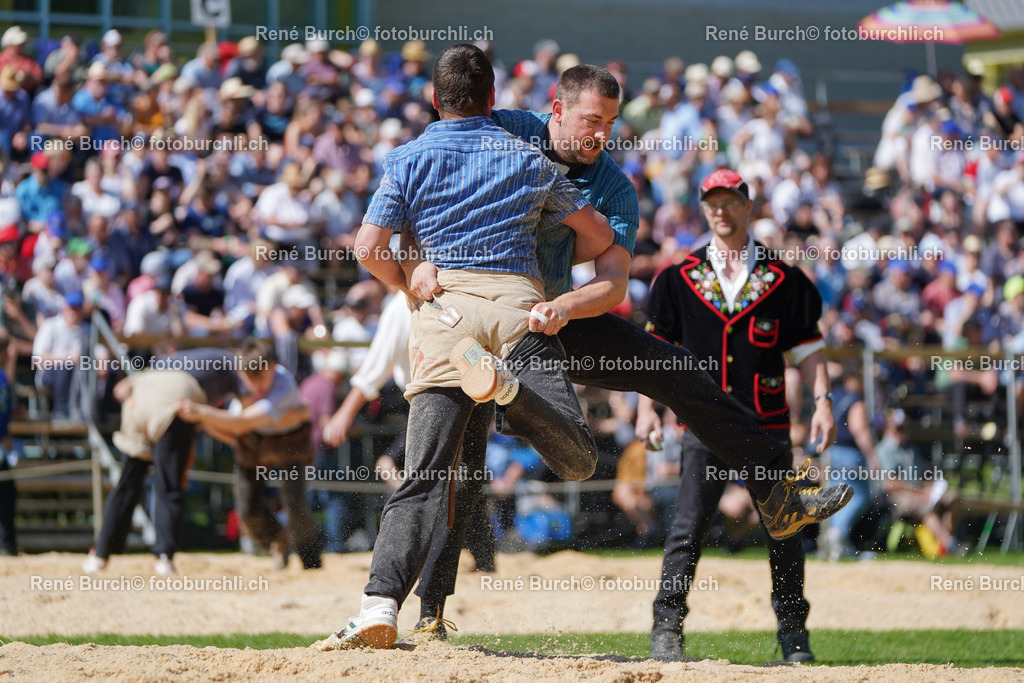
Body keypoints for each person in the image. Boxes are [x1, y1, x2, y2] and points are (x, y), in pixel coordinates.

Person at [405, 66, 853, 644]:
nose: (602, 134)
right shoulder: (506, 129)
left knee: (674, 367)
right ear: (557, 110)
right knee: (463, 465)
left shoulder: (613, 184)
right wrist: (415, 257)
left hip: (552, 321)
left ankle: (777, 490)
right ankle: (430, 614)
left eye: (612, 123)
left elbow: (613, 285)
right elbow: (427, 164)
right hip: (472, 322)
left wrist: (564, 306)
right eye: (592, 120)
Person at [315, 43, 614, 651]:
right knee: (579, 459)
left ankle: (378, 606)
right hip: (516, 310)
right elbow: (598, 235)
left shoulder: (407, 157)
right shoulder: (527, 157)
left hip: (443, 312)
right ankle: (508, 392)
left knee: (424, 475)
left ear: (434, 99)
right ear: (493, 98)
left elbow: (368, 247)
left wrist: (408, 277)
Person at [637, 169, 839, 662]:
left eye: (729, 201)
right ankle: (666, 630)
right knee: (687, 530)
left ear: (748, 206)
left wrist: (823, 401)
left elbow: (809, 348)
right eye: (712, 203)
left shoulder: (785, 279)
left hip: (766, 426)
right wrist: (647, 408)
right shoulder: (678, 278)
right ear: (704, 209)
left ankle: (794, 637)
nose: (720, 211)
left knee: (784, 532)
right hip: (701, 422)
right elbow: (655, 350)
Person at [83, 348, 245, 575]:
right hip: (175, 399)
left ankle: (100, 555)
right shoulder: (239, 367)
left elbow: (124, 388)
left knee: (127, 483)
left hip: (140, 395)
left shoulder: (193, 356)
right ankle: (164, 556)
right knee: (168, 485)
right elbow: (246, 417)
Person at [177, 339, 322, 571]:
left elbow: (242, 422)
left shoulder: (284, 385)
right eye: (250, 379)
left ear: (273, 367)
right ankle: (277, 541)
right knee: (247, 508)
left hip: (289, 441)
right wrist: (208, 421)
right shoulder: (236, 381)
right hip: (253, 441)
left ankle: (311, 562)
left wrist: (202, 412)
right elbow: (232, 428)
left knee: (294, 504)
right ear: (241, 372)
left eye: (261, 377)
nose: (256, 386)